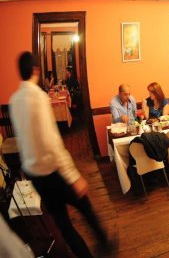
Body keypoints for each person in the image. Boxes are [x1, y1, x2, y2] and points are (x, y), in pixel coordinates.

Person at [9, 52, 112, 258]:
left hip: (35, 175)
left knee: (64, 225)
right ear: (36, 70)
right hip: (54, 172)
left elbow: (22, 138)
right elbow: (51, 141)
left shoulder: (14, 100)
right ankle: (104, 243)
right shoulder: (38, 97)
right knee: (85, 208)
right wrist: (73, 175)